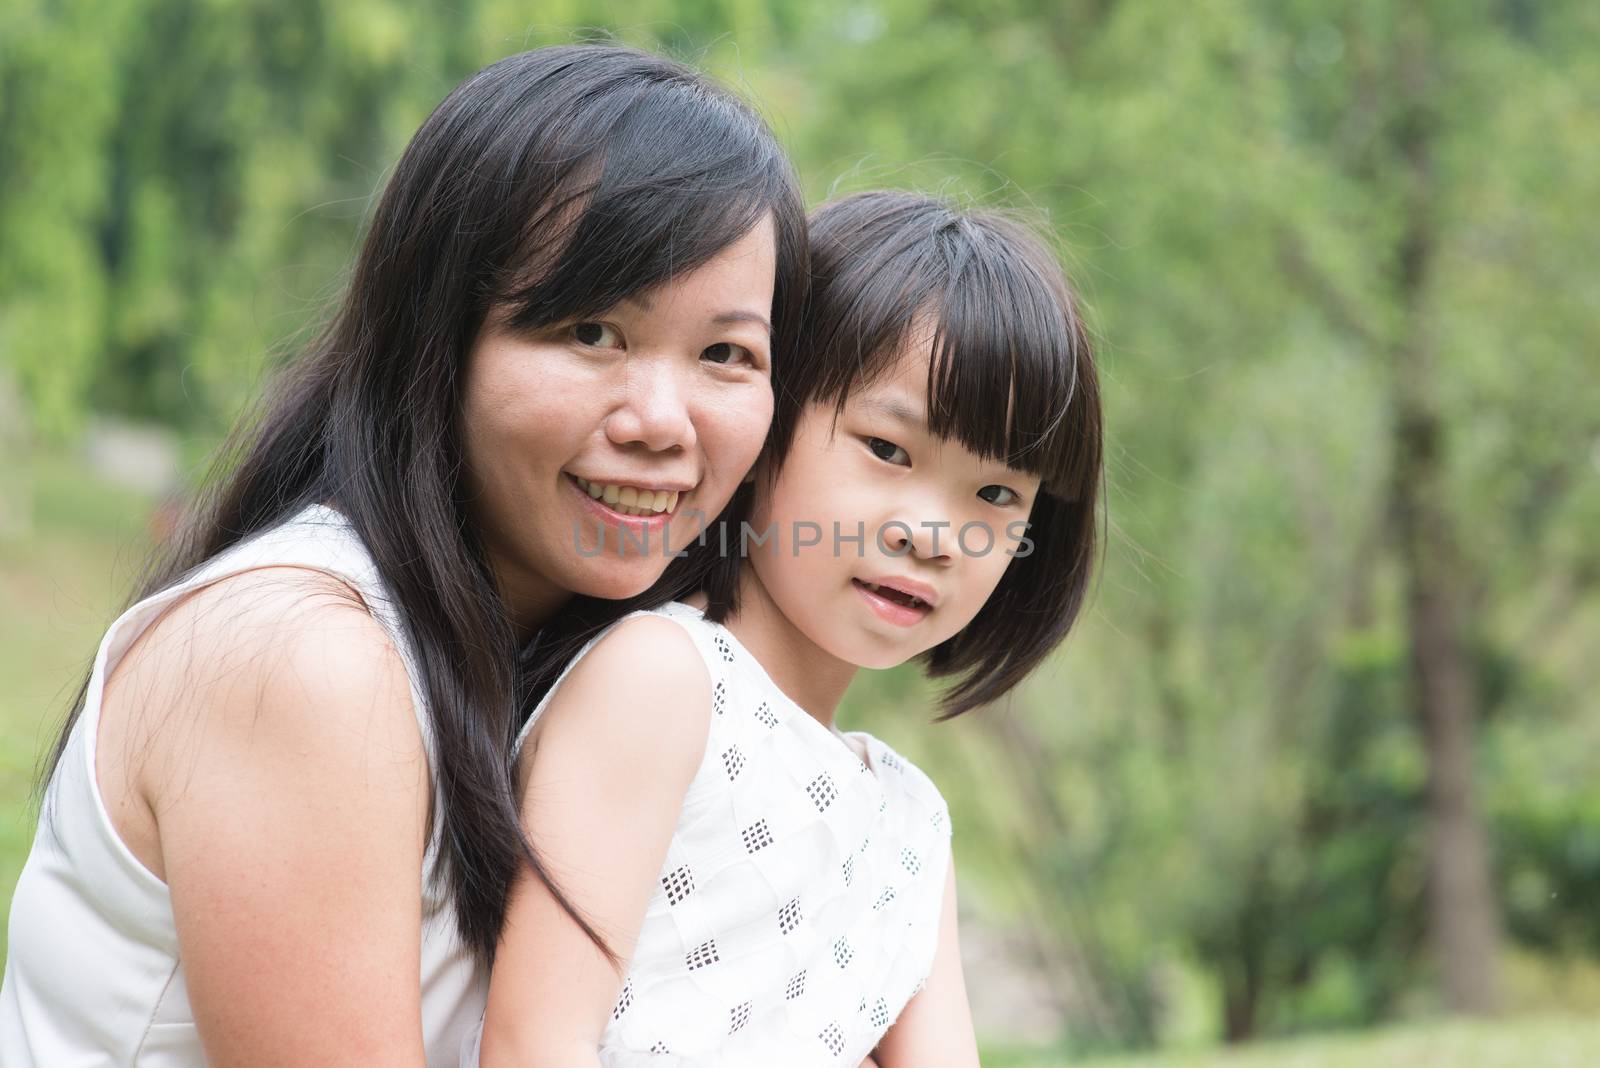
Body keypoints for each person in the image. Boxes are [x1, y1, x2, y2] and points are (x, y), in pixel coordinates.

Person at [0, 45, 806, 1065]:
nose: (661, 420)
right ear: (438, 337)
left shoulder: (592, 671)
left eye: (727, 354)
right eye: (592, 330)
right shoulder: (305, 660)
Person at [472, 190, 1103, 1066]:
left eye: (997, 495)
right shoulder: (664, 682)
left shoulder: (910, 827)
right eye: (888, 450)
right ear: (767, 423)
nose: (932, 534)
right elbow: (535, 1048)